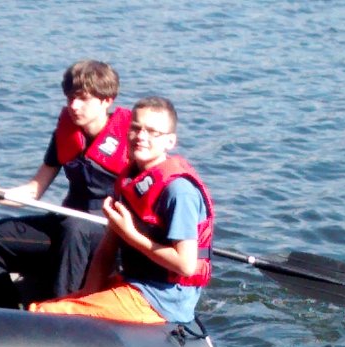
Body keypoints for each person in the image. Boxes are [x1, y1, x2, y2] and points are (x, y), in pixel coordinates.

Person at [29, 96, 214, 325]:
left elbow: (185, 265)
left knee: (43, 314)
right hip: (134, 283)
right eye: (135, 128)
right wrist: (88, 293)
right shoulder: (129, 179)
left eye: (152, 132)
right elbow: (106, 250)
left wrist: (131, 235)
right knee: (48, 306)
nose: (141, 137)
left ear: (170, 141)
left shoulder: (179, 192)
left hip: (163, 300)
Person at [0, 60, 132, 309]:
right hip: (68, 225)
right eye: (70, 98)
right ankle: (11, 312)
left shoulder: (132, 140)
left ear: (107, 101)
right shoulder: (66, 135)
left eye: (83, 99)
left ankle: (62, 314)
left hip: (107, 233)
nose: (74, 106)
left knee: (75, 229)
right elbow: (35, 189)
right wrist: (0, 194)